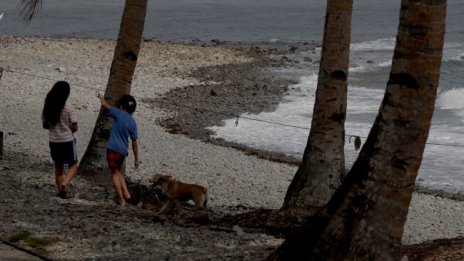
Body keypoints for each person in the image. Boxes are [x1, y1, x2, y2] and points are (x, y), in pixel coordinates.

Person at [97, 92, 139, 208]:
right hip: (122, 151)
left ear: (122, 106)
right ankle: (126, 194)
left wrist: (101, 97)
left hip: (112, 148)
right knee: (118, 171)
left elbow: (105, 105)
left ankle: (121, 200)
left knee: (114, 173)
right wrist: (136, 159)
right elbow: (134, 143)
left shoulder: (118, 113)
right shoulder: (133, 122)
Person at [42, 81, 78, 199]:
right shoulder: (69, 107)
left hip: (53, 141)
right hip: (67, 140)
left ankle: (62, 192)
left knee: (58, 167)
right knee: (73, 164)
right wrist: (71, 128)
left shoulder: (49, 106)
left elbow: (45, 125)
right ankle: (65, 183)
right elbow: (75, 127)